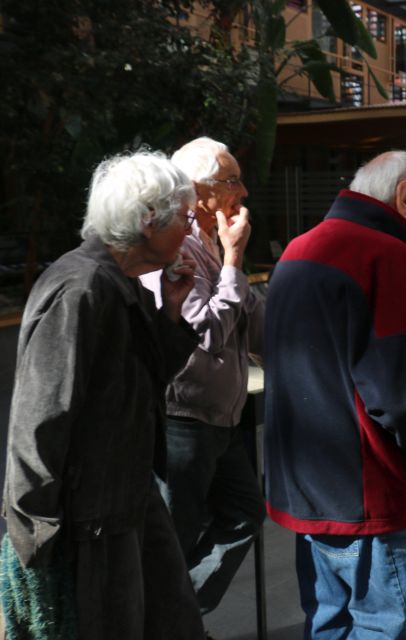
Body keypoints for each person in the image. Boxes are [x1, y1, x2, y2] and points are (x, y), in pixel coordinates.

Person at [2, 150, 206, 638]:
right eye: (187, 216)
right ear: (148, 217)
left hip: (126, 502)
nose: (193, 230)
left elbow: (143, 378)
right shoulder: (81, 288)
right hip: (88, 523)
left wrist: (172, 312)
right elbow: (39, 418)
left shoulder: (122, 284)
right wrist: (35, 540)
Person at [264, 150, 406, 639]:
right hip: (363, 488)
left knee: (328, 619)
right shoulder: (385, 256)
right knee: (384, 624)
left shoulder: (299, 248)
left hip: (304, 483)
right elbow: (403, 397)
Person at [140, 137, 266, 615]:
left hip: (222, 417)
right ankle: (165, 622)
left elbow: (247, 319)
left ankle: (180, 617)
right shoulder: (176, 247)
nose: (243, 190)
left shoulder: (213, 237)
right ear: (196, 190)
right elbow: (207, 333)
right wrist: (233, 262)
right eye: (231, 181)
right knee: (175, 536)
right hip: (184, 421)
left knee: (244, 514)